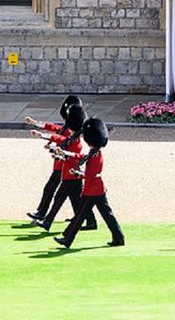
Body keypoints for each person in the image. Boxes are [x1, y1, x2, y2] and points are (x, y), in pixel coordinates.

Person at [53, 118, 125, 248]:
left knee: (80, 215)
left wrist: (78, 174)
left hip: (92, 190)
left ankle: (67, 238)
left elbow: (91, 174)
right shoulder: (94, 152)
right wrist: (66, 153)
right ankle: (118, 237)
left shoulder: (95, 155)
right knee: (106, 214)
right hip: (96, 189)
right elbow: (81, 157)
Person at [31, 104, 97, 231]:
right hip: (70, 174)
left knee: (58, 199)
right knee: (78, 200)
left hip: (70, 175)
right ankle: (90, 221)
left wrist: (42, 136)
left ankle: (47, 222)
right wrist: (54, 150)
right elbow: (60, 141)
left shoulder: (75, 141)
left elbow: (62, 144)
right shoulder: (73, 139)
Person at [23, 95, 82, 221]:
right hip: (60, 164)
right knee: (73, 194)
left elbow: (60, 139)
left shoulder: (71, 130)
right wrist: (35, 123)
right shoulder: (67, 127)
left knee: (50, 189)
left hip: (63, 165)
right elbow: (54, 128)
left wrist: (43, 136)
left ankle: (41, 212)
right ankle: (81, 217)